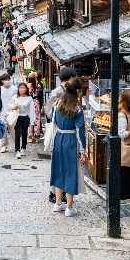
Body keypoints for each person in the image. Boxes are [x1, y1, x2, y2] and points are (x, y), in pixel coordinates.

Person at [49, 78, 87, 217]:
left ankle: (58, 203)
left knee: (59, 169)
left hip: (59, 137)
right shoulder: (77, 109)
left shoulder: (58, 104)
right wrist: (83, 151)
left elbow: (53, 120)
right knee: (71, 171)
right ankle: (69, 207)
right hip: (71, 139)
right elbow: (80, 130)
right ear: (77, 92)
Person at [11, 83, 36, 158]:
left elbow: (31, 110)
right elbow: (10, 105)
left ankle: (23, 148)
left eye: (23, 88)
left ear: (26, 89)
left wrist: (32, 121)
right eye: (20, 88)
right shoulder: (16, 97)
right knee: (17, 133)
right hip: (17, 117)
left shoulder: (29, 98)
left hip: (25, 117)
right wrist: (13, 107)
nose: (22, 89)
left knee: (24, 133)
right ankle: (17, 150)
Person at [0, 73, 18, 153]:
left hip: (13, 112)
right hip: (3, 112)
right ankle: (3, 145)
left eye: (7, 79)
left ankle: (17, 145)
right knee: (3, 129)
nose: (6, 81)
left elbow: (17, 99)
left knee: (13, 129)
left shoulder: (15, 89)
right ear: (2, 81)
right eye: (4, 80)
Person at [27, 72, 44, 141]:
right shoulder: (38, 85)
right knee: (37, 118)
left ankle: (30, 136)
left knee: (30, 119)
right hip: (36, 102)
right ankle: (37, 135)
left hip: (29, 102)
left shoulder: (27, 85)